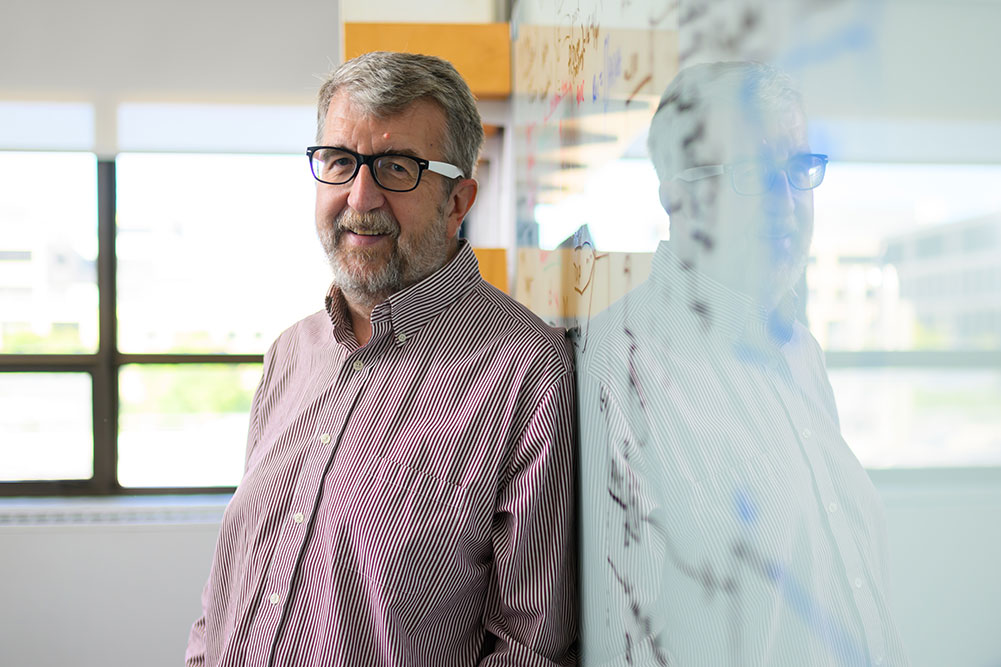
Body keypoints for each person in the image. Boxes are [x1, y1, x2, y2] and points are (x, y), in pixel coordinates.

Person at [186, 51, 577, 667]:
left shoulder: (527, 373)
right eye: (340, 162)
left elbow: (531, 646)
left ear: (457, 201)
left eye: (397, 167)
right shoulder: (290, 354)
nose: (360, 196)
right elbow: (225, 598)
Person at [578, 62, 908, 666]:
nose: (786, 204)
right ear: (677, 194)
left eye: (799, 170)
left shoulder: (799, 350)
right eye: (754, 173)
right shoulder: (618, 368)